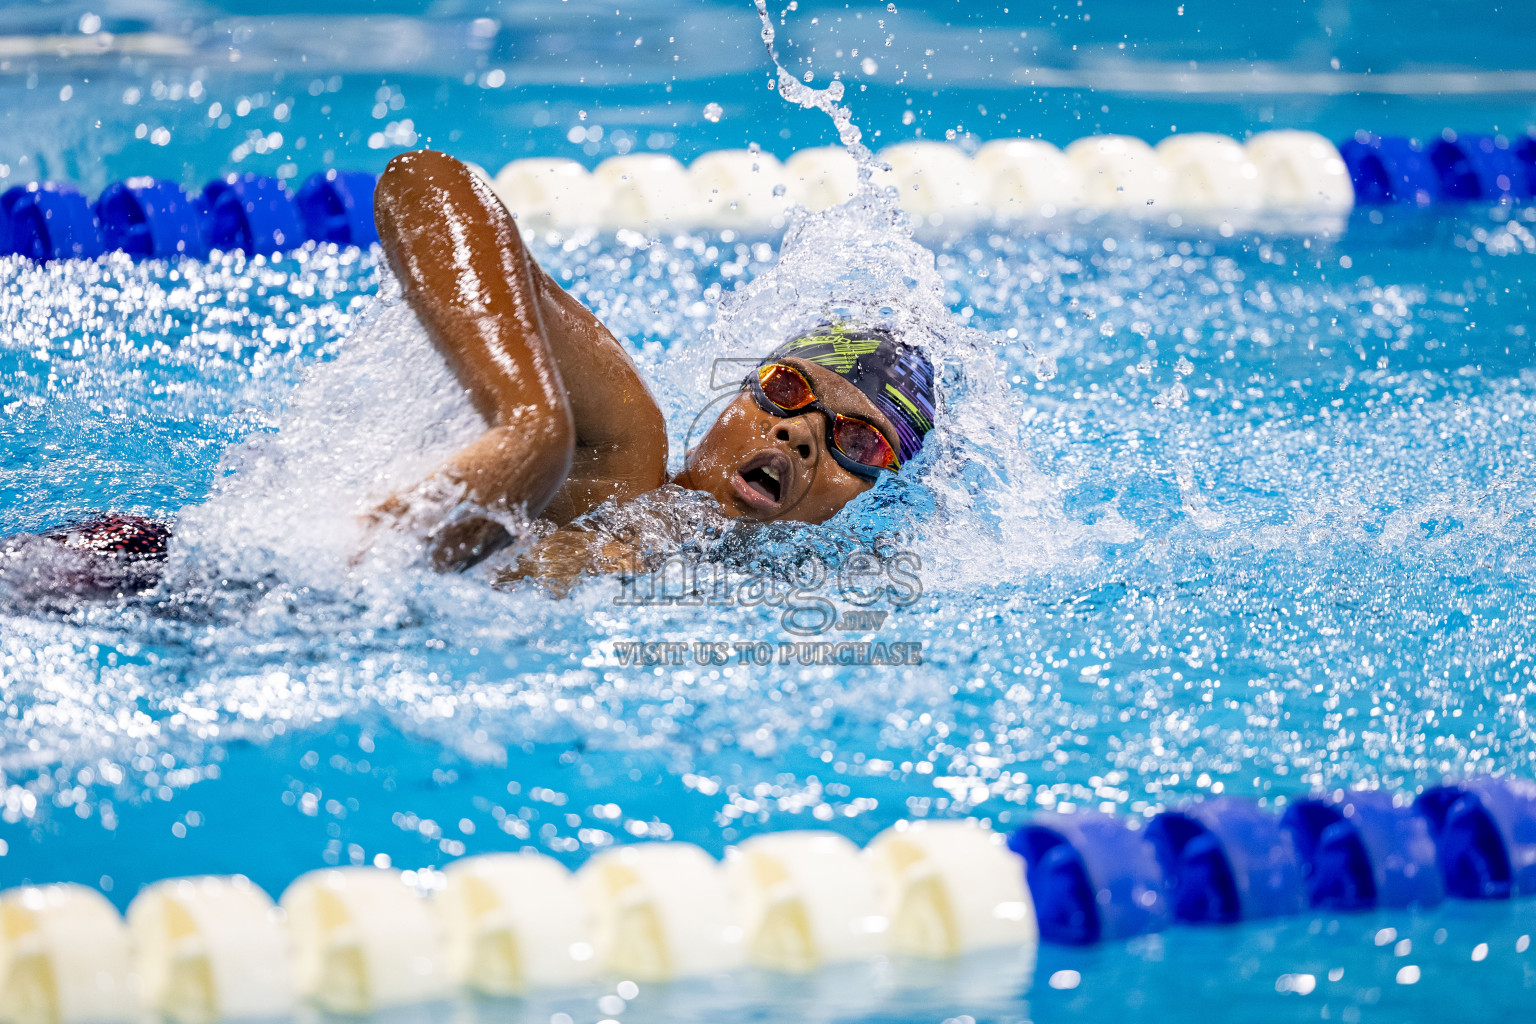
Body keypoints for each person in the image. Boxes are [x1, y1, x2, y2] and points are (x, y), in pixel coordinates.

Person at [27, 149, 936, 592]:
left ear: (876, 495)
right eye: (785, 392)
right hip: (145, 575)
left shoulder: (778, 611)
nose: (795, 433)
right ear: (739, 394)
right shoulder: (622, 456)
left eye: (853, 440)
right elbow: (430, 184)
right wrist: (530, 426)